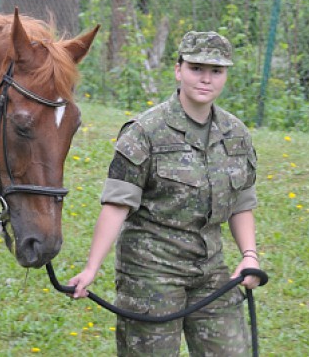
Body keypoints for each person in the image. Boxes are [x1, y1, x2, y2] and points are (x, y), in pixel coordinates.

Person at [67, 31, 262, 356]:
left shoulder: (235, 134)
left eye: (216, 71)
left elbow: (242, 203)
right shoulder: (145, 132)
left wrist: (249, 256)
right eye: (197, 68)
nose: (206, 79)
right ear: (178, 70)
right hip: (150, 273)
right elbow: (116, 206)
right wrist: (91, 269)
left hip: (210, 272)